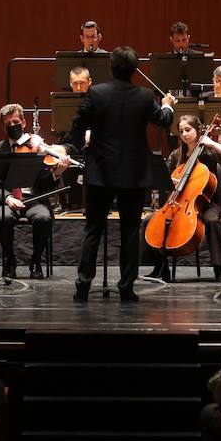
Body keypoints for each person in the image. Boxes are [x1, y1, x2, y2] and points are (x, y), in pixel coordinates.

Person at [68, 46, 178, 302]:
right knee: (129, 231)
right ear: (134, 69)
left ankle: (83, 286)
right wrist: (168, 105)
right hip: (133, 173)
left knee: (93, 230)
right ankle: (126, 288)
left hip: (100, 172)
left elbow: (77, 126)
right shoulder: (143, 95)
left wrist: (77, 144)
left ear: (111, 67)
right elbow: (163, 120)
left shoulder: (96, 93)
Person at [146, 114, 221, 282]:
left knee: (212, 221)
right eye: (181, 131)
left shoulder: (209, 152)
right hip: (180, 202)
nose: (184, 134)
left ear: (197, 130)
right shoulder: (177, 155)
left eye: (188, 130)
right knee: (149, 220)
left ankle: (219, 268)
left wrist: (211, 142)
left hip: (208, 202)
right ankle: (160, 267)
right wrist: (170, 181)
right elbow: (164, 179)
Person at [0, 104, 66, 279]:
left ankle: (36, 261)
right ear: (3, 126)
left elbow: (44, 184)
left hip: (34, 198)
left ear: (24, 122)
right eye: (8, 123)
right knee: (3, 217)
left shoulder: (37, 147)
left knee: (44, 217)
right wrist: (7, 198)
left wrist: (57, 172)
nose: (13, 126)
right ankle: (9, 260)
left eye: (16, 121)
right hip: (8, 200)